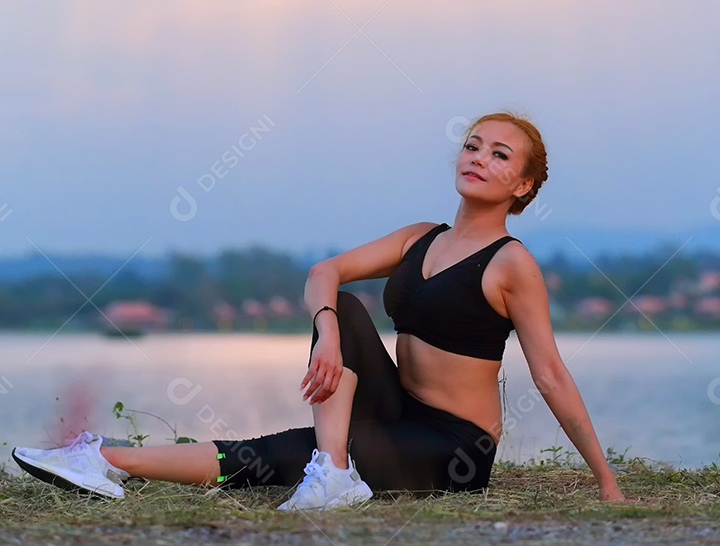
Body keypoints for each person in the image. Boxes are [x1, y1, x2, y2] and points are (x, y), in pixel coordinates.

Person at [13, 111, 629, 509]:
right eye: (472, 145)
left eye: (500, 155)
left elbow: (549, 373)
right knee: (346, 315)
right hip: (392, 410)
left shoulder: (512, 263)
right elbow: (324, 272)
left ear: (523, 186)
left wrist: (606, 480)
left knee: (277, 454)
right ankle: (324, 469)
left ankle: (110, 459)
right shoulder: (420, 237)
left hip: (452, 448)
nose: (478, 158)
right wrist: (328, 331)